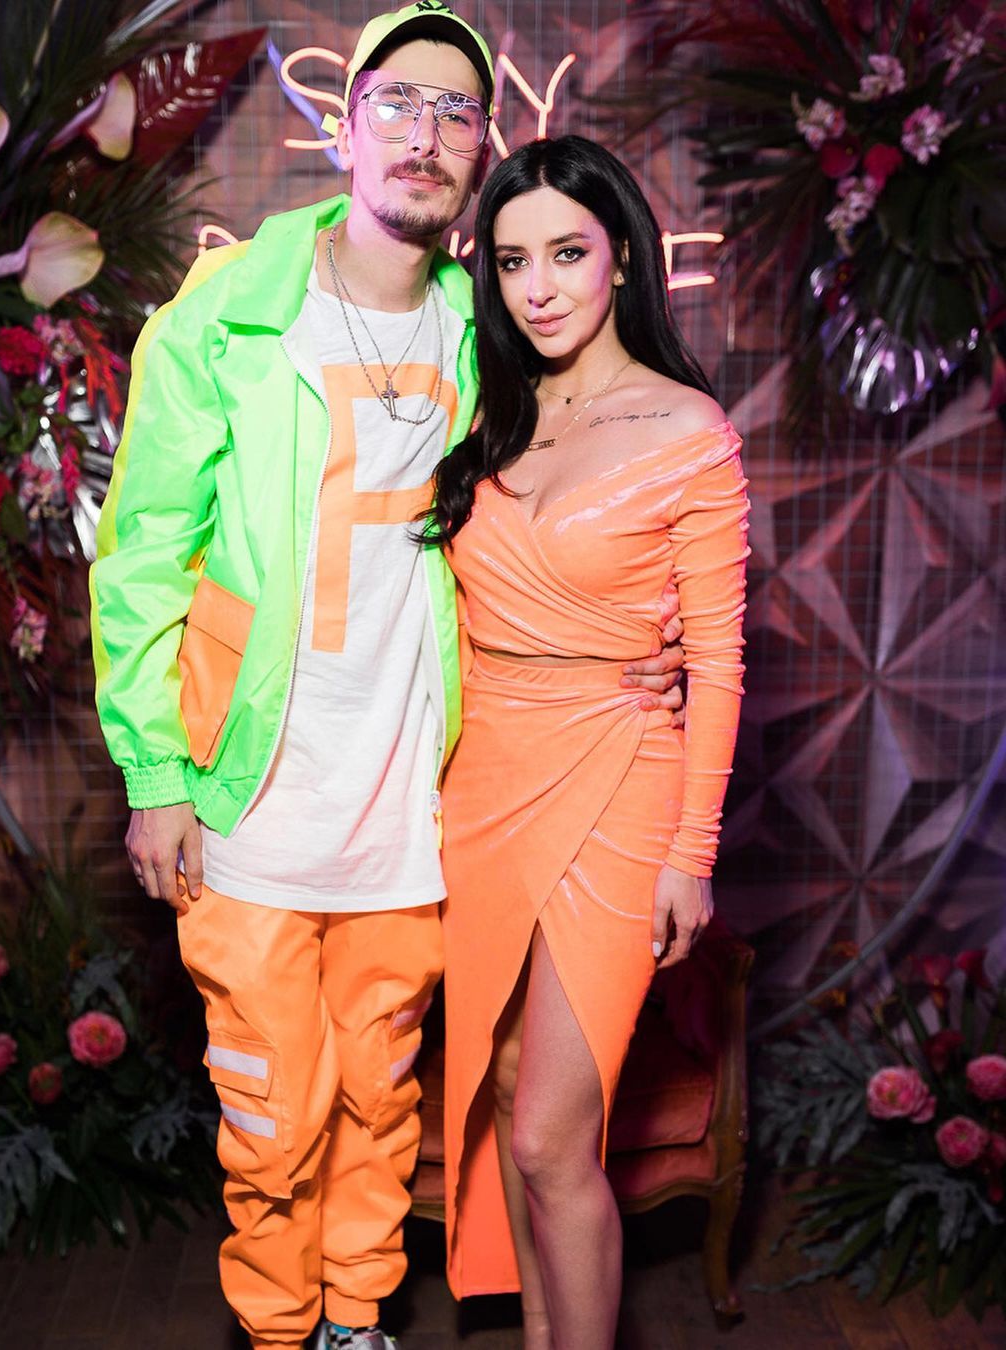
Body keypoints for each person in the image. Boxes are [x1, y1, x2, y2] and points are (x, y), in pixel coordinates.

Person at [90, 8, 684, 1347]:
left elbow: (587, 503)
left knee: (382, 1098)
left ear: (483, 148)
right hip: (247, 800)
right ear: (346, 121)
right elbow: (141, 560)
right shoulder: (227, 318)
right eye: (400, 103)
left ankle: (356, 1318)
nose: (427, 133)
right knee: (271, 1108)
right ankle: (277, 1328)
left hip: (422, 812)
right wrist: (155, 774)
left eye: (458, 111)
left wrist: (642, 650)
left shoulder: (495, 334)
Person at [430, 135, 750, 1350]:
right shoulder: (490, 411)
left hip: (619, 779)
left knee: (550, 1135)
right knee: (509, 1087)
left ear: (622, 256)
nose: (539, 287)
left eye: (567, 252)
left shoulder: (686, 426)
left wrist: (691, 853)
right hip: (483, 781)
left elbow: (718, 661)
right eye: (512, 261)